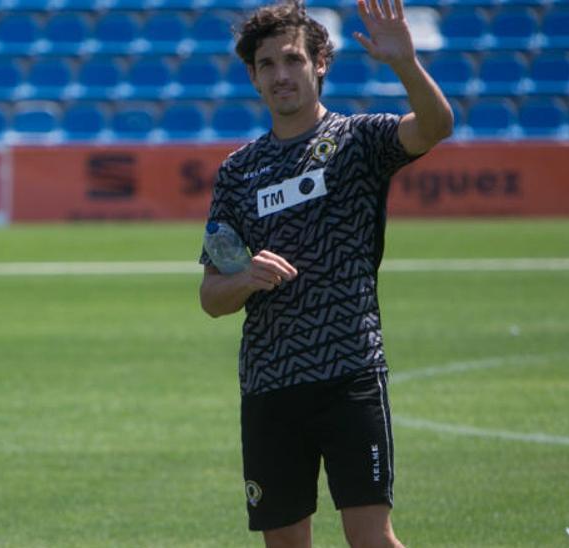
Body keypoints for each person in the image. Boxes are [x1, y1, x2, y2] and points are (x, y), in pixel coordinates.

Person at [198, 1, 452, 547]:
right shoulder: (238, 172)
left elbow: (434, 127)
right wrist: (244, 277)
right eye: (267, 64)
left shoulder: (359, 140)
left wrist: (406, 64)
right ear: (253, 76)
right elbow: (211, 297)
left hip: (349, 376)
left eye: (292, 59)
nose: (281, 74)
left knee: (372, 540)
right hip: (270, 384)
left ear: (319, 65)